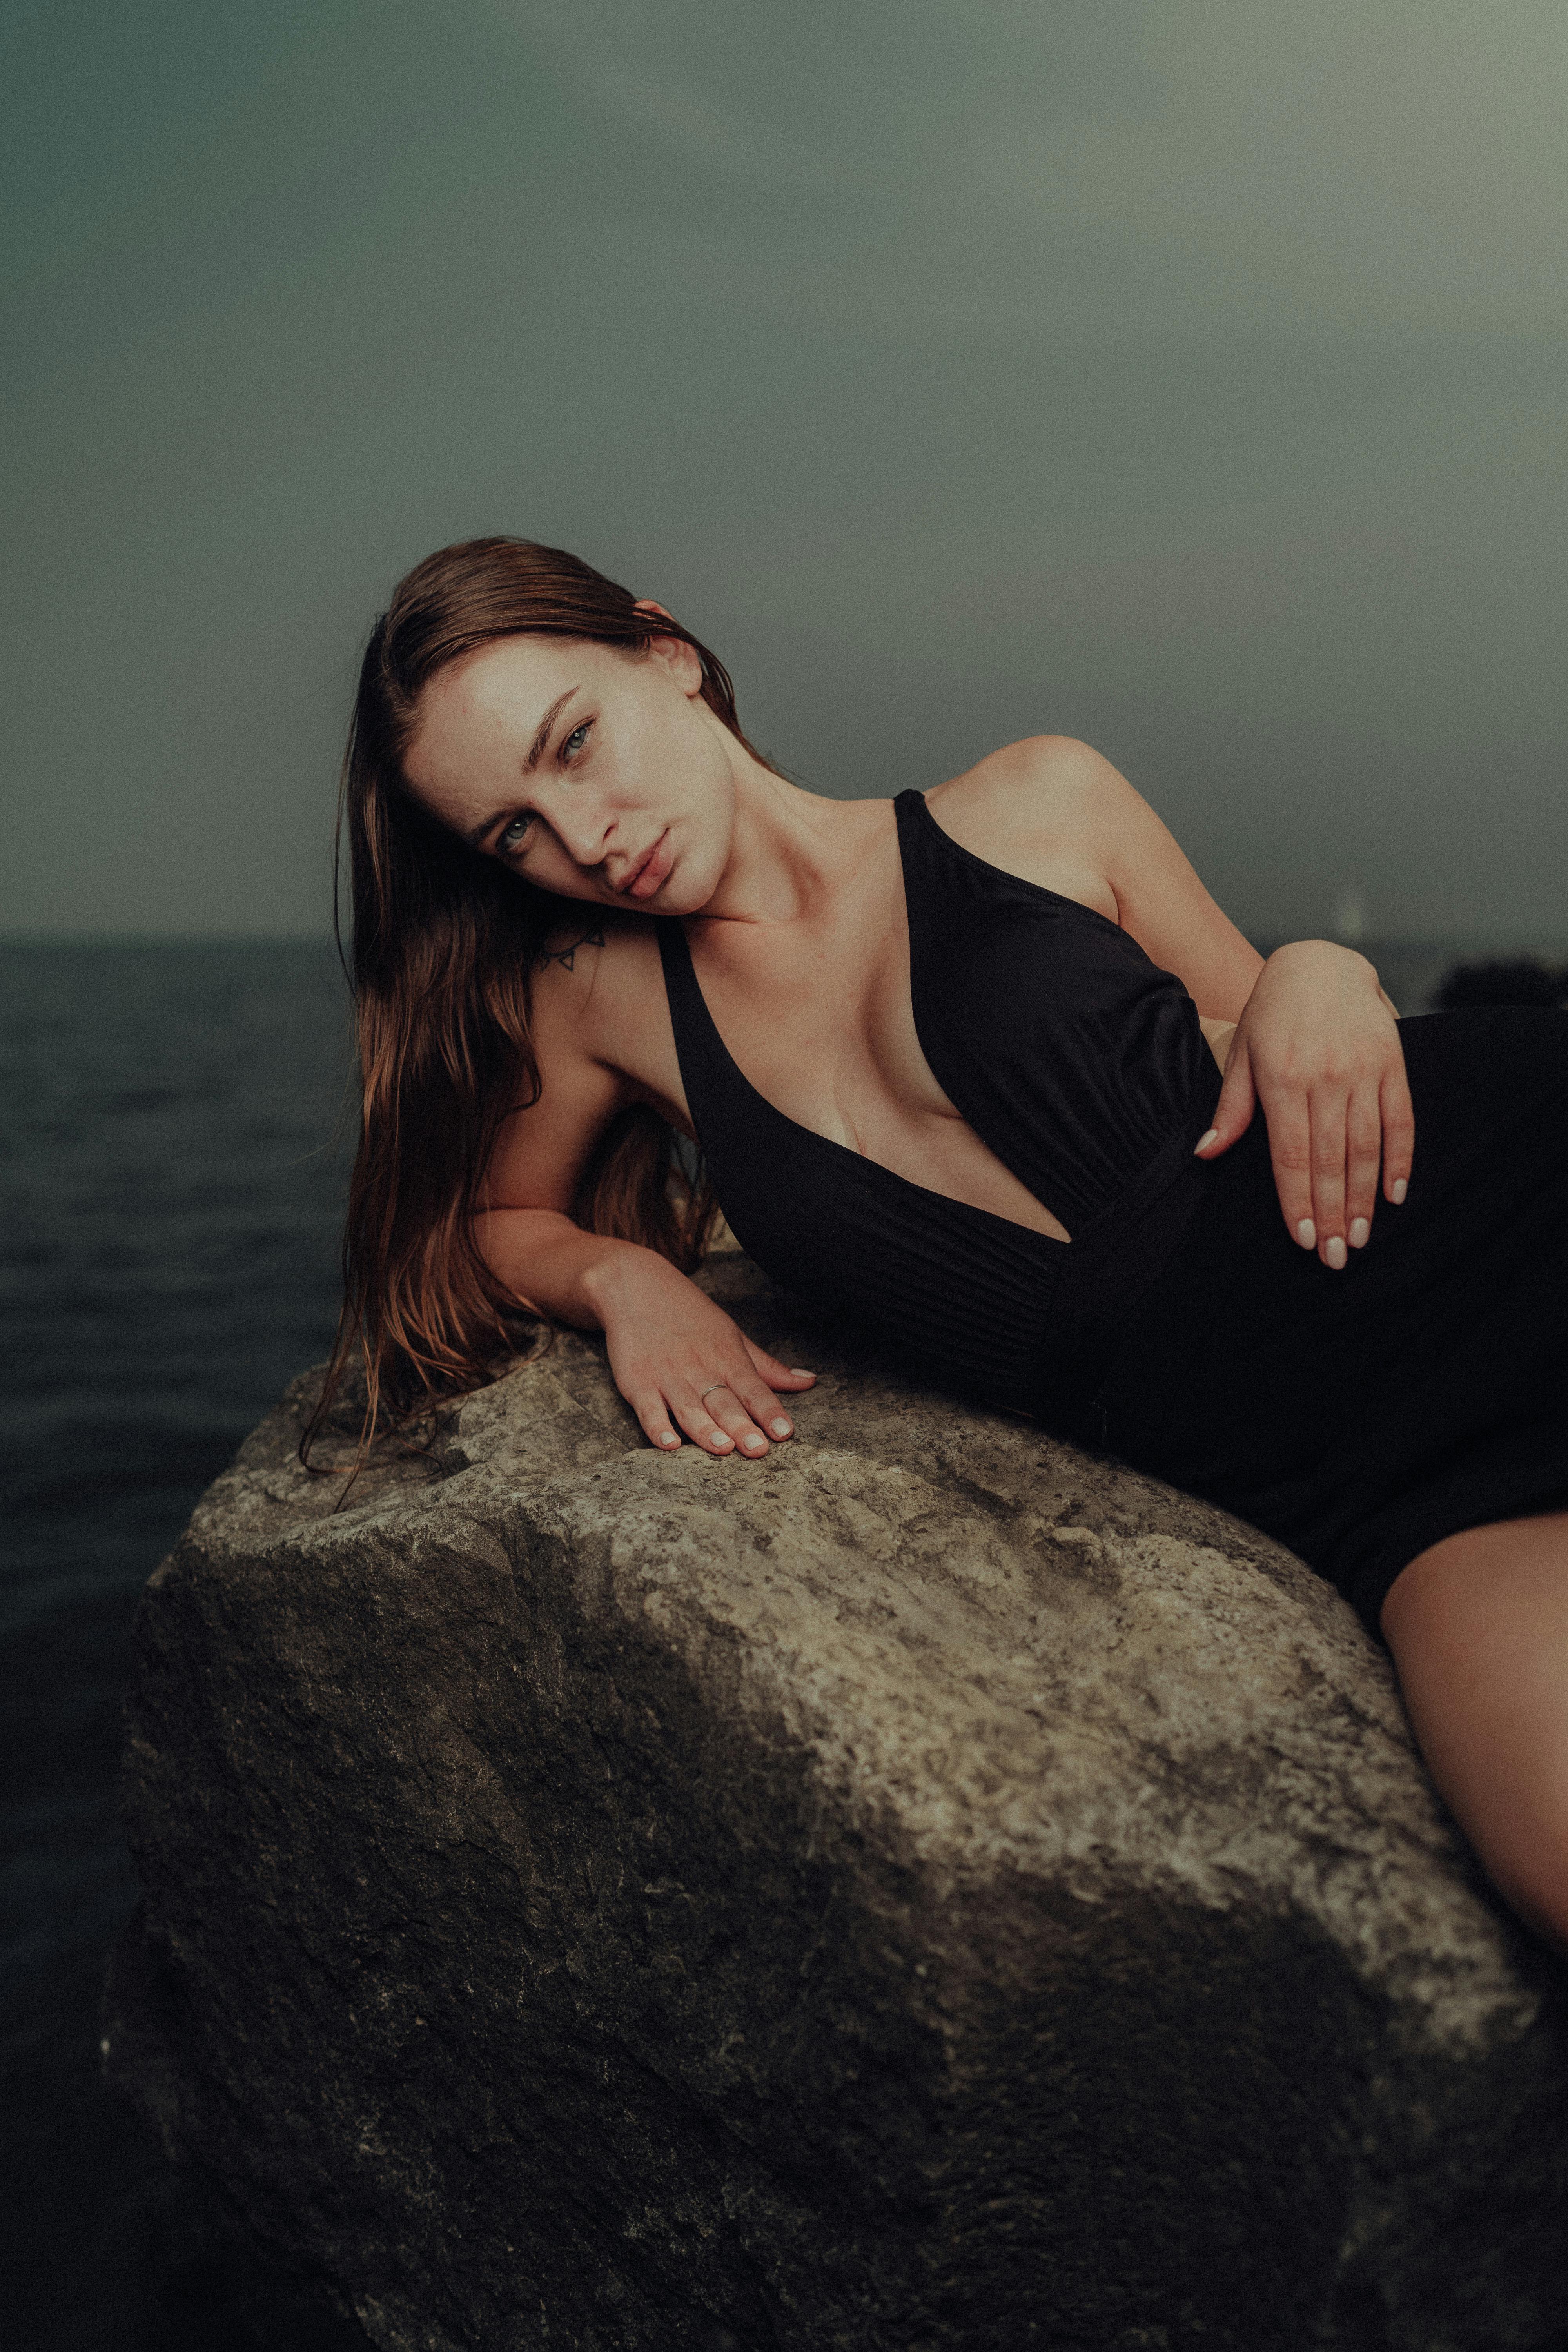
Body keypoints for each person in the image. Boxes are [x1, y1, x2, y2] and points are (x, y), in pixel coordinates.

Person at [316, 535, 1568, 1950]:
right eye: (515, 832)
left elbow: (1277, 1038)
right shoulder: (597, 1002)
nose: (587, 833)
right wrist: (624, 1279)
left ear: (663, 652)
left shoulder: (1040, 795)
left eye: (577, 742)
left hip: (1498, 1209)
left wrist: (1322, 970)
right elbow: (487, 1222)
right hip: (1386, 1486)